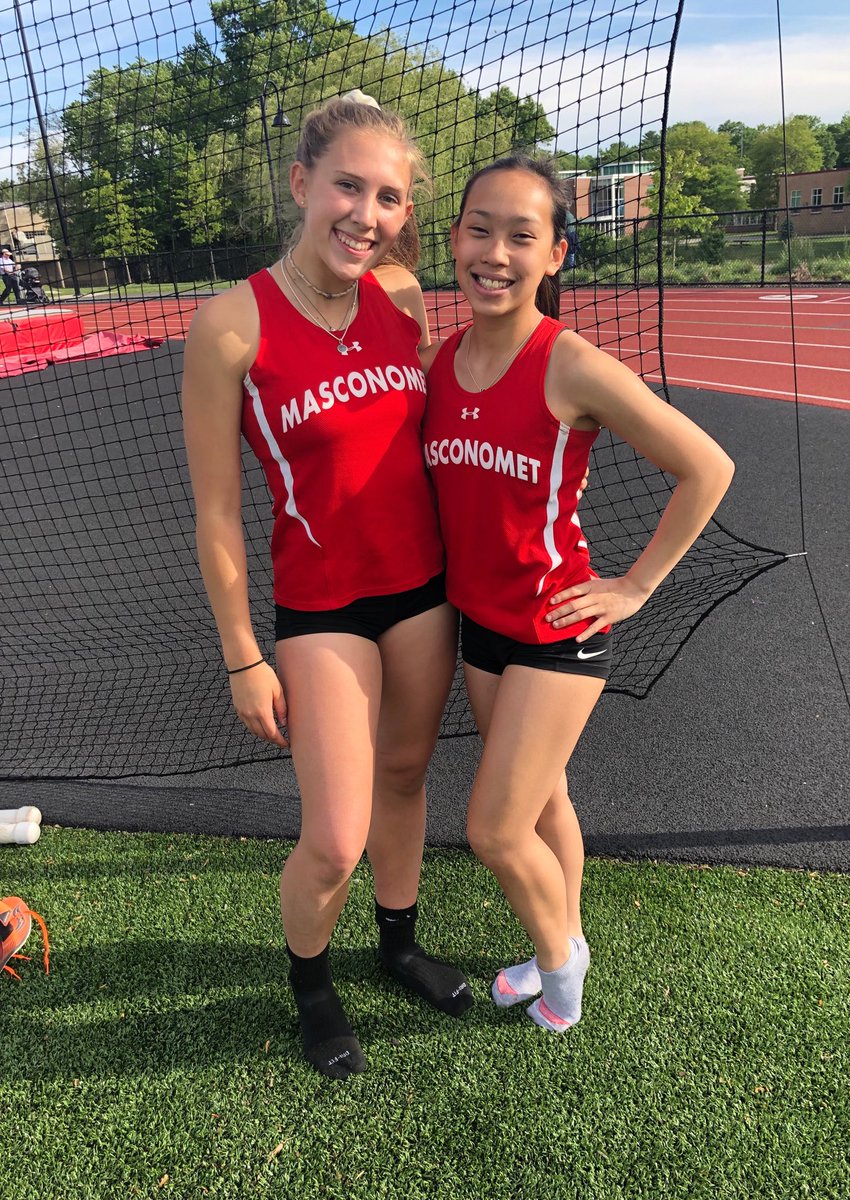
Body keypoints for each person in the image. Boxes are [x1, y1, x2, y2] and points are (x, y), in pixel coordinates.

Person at [181, 92, 471, 1082]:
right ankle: (311, 982)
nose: (368, 212)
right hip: (323, 611)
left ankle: (397, 947)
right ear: (303, 185)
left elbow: (433, 436)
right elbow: (217, 511)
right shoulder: (230, 324)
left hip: (422, 592)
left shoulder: (402, 295)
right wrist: (242, 656)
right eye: (349, 185)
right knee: (336, 835)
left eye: (388, 196)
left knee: (405, 777)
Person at [422, 154, 734, 1033]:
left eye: (522, 236)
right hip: (479, 627)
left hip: (559, 629)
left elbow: (707, 466)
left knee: (493, 830)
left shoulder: (572, 365)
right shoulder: (441, 362)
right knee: (546, 799)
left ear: (555, 254)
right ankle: (564, 935)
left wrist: (635, 585)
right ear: (455, 239)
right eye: (479, 228)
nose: (495, 252)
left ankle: (562, 965)